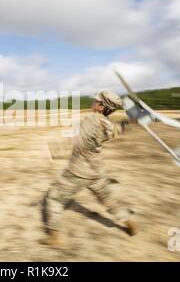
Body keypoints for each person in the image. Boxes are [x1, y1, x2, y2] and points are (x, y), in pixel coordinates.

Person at [41, 90, 137, 247]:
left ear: (100, 107)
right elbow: (116, 130)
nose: (92, 103)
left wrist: (53, 151)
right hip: (97, 173)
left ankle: (54, 237)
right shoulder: (107, 123)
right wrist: (132, 120)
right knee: (109, 200)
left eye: (95, 101)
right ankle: (129, 222)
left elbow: (78, 141)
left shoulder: (91, 119)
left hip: (77, 172)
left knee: (54, 198)